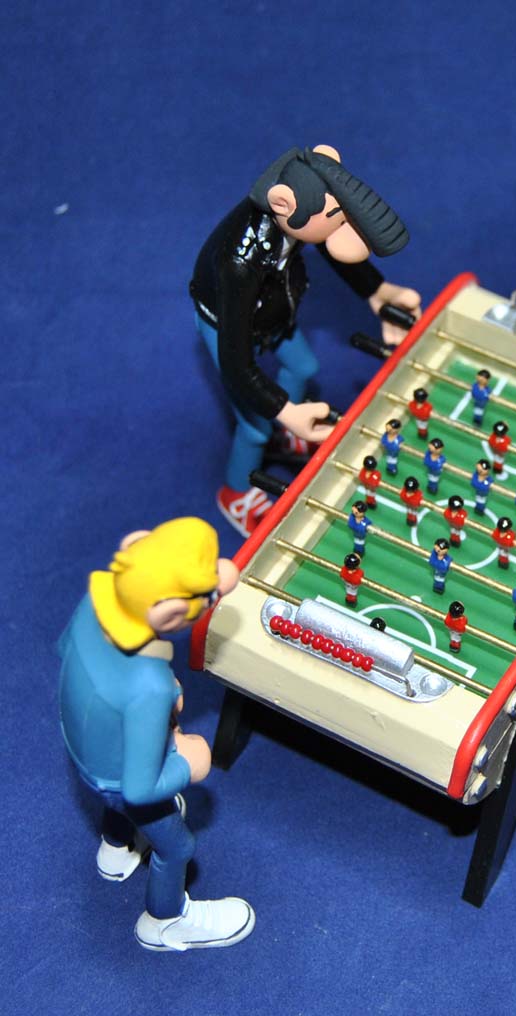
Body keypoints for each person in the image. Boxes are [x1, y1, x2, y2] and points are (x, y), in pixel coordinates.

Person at [191, 145, 421, 535]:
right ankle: (236, 492)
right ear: (283, 204)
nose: (343, 229)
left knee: (303, 366)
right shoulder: (239, 263)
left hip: (274, 310)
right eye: (337, 218)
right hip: (225, 324)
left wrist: (377, 292)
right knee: (255, 427)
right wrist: (282, 410)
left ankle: (283, 436)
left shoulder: (301, 216)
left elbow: (331, 245)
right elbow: (235, 364)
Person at [58, 518, 254, 951]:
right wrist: (187, 762)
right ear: (169, 614)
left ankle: (116, 849)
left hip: (85, 746)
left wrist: (148, 697)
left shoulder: (95, 602)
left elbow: (73, 658)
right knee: (178, 845)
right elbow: (139, 788)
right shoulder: (149, 687)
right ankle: (165, 921)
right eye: (207, 594)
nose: (222, 580)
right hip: (119, 777)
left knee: (122, 806)